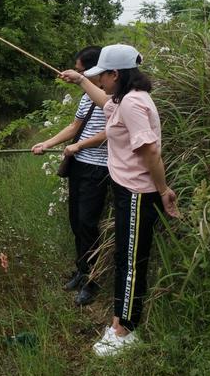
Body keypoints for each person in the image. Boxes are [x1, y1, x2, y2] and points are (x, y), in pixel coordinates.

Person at [61, 44, 178, 356]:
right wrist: (80, 80)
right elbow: (104, 103)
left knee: (130, 263)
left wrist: (163, 191)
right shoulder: (123, 99)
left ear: (116, 74)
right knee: (126, 258)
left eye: (102, 76)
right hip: (127, 190)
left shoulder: (133, 104)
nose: (100, 81)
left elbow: (151, 150)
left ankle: (123, 331)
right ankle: (120, 321)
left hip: (138, 193)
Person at [32, 46, 109, 305]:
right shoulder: (87, 96)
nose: (78, 75)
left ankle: (93, 281)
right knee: (76, 221)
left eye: (81, 71)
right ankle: (82, 269)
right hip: (78, 165)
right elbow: (75, 126)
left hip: (99, 169)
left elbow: (112, 130)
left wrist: (80, 145)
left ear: (97, 70)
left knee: (88, 223)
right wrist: (47, 144)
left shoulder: (114, 96)